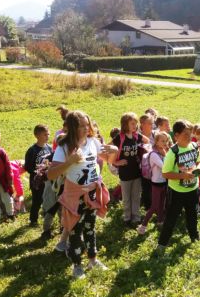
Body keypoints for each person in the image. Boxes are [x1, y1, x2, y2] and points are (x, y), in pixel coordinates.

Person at [47, 110, 117, 279]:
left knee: (90, 228)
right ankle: (77, 266)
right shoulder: (64, 147)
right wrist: (69, 161)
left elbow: (109, 159)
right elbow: (51, 174)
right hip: (75, 197)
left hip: (92, 194)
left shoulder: (92, 141)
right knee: (75, 231)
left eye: (87, 124)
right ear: (73, 128)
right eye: (81, 126)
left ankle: (93, 260)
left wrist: (114, 150)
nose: (86, 128)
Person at [157, 120, 200, 251]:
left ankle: (194, 236)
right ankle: (162, 243)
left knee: (192, 215)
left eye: (190, 134)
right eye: (185, 134)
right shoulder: (173, 152)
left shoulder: (194, 146)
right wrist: (183, 176)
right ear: (176, 136)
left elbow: (199, 161)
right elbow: (165, 173)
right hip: (176, 192)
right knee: (171, 218)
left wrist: (198, 169)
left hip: (193, 189)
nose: (189, 137)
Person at [112, 113, 146, 228]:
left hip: (136, 172)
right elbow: (106, 149)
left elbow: (147, 141)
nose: (135, 125)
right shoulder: (120, 138)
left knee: (136, 196)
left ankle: (136, 218)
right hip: (125, 174)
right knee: (126, 198)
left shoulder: (136, 136)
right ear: (125, 124)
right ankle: (127, 218)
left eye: (136, 123)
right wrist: (116, 162)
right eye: (132, 123)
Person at [138, 131, 171, 235]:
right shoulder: (154, 154)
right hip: (156, 183)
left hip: (163, 182)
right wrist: (169, 158)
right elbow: (165, 167)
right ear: (156, 142)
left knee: (162, 204)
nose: (165, 143)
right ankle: (143, 226)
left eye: (166, 141)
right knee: (154, 206)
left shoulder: (164, 152)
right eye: (162, 141)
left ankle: (160, 221)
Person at [24, 124, 53, 227]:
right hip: (36, 181)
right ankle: (33, 220)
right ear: (37, 135)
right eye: (45, 134)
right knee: (37, 200)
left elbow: (52, 161)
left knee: (48, 199)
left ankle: (47, 217)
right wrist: (38, 171)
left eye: (48, 134)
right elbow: (27, 167)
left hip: (47, 179)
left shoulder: (49, 148)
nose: (47, 136)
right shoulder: (32, 150)